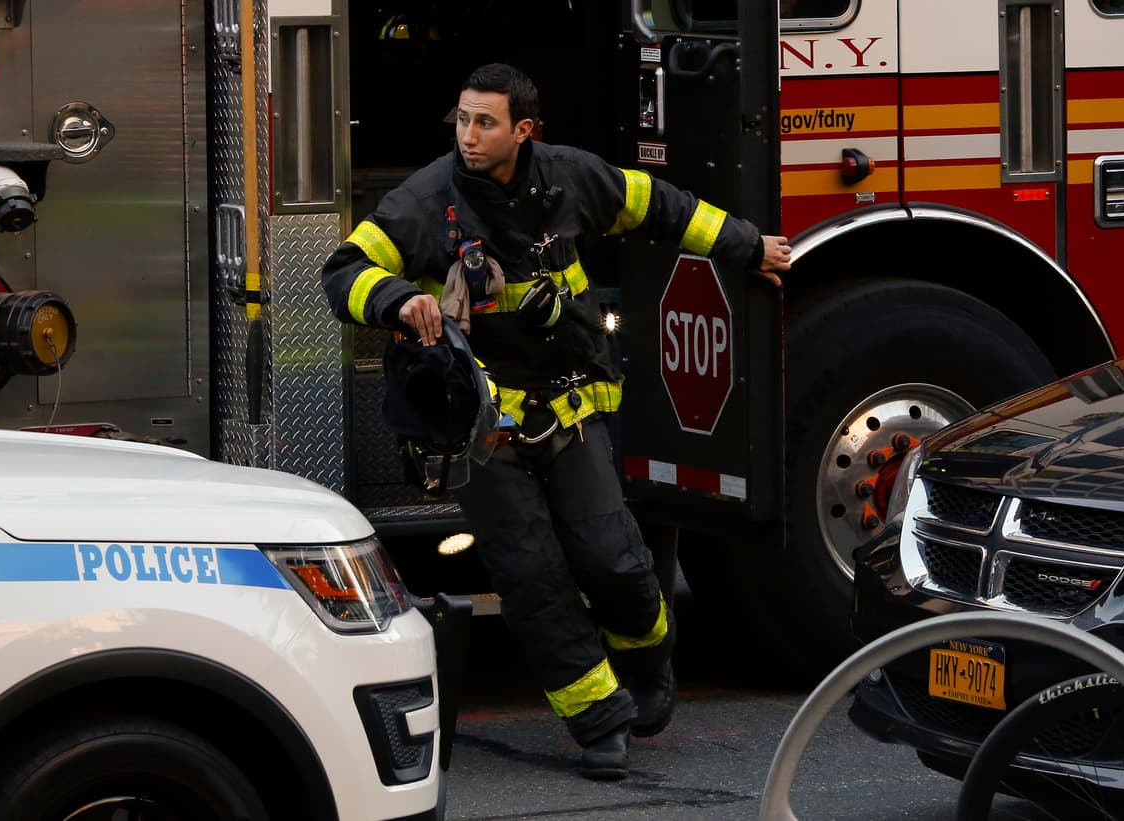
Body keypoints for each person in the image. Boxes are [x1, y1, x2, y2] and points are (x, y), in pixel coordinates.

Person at [321, 62, 791, 780]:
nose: (468, 136)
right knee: (531, 575)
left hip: (571, 407)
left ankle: (646, 660)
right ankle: (599, 719)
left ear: (524, 131)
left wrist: (747, 247)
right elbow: (343, 269)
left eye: (485, 122)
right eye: (461, 119)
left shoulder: (573, 178)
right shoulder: (425, 200)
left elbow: (664, 207)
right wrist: (391, 298)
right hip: (481, 428)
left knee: (614, 560)